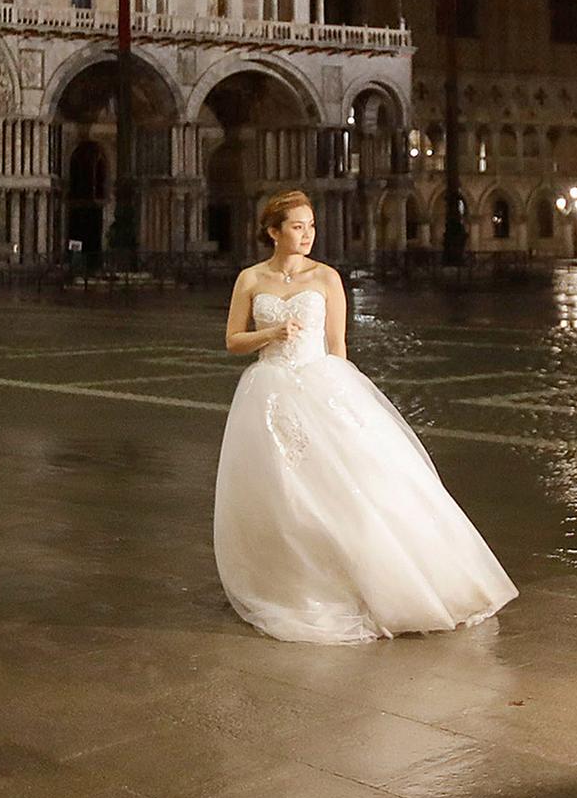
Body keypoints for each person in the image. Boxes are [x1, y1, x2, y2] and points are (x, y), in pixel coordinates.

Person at [213, 191, 517, 643]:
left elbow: (337, 344)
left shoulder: (327, 277)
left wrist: (343, 395)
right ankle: (296, 578)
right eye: (297, 226)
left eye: (311, 226)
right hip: (270, 389)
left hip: (320, 383)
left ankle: (379, 576)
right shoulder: (250, 279)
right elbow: (233, 341)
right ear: (273, 231)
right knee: (282, 490)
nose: (307, 234)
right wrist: (270, 334)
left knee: (352, 483)